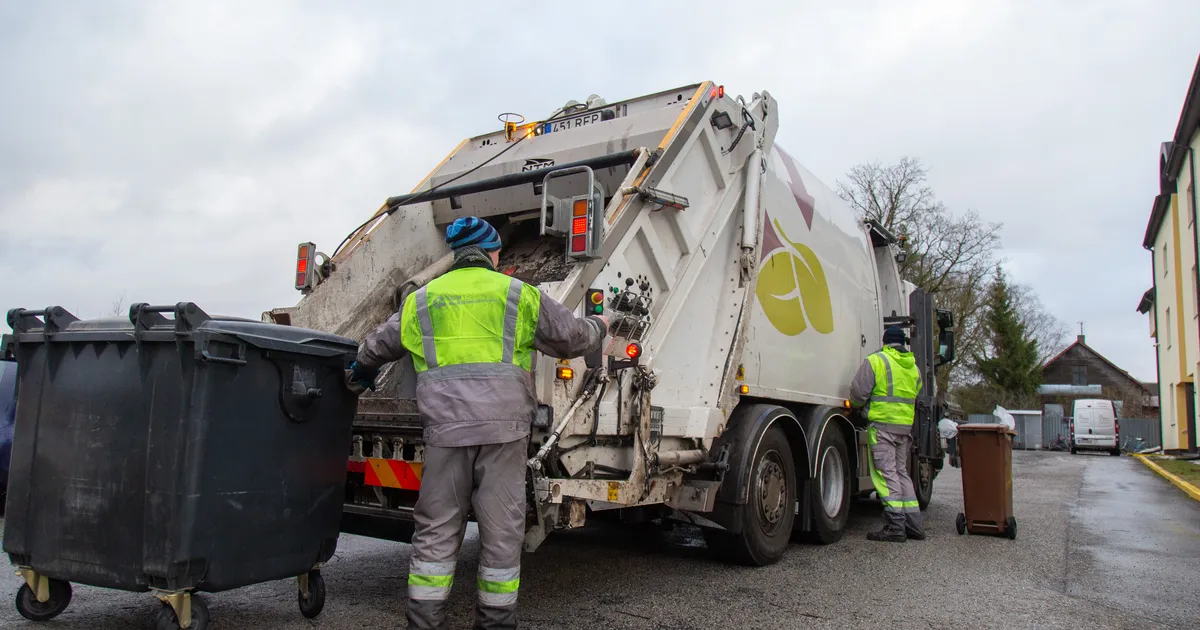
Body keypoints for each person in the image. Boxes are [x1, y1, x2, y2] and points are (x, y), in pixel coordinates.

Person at [346, 216, 608, 629]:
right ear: (491, 253)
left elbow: (377, 346)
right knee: (501, 531)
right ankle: (494, 623)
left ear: (455, 256)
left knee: (436, 529)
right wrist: (600, 326)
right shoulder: (517, 294)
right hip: (503, 433)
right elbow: (572, 338)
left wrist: (358, 373)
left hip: (446, 433)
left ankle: (425, 621)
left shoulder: (422, 300)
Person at [848, 325, 926, 543]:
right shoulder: (914, 369)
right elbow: (916, 391)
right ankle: (915, 524)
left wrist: (859, 408)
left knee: (886, 474)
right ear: (903, 343)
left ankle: (895, 526)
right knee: (901, 473)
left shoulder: (877, 361)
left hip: (882, 427)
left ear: (885, 342)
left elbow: (857, 393)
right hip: (904, 429)